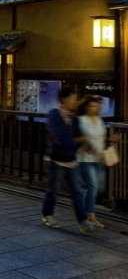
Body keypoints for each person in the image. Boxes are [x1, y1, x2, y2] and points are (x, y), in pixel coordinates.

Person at [42, 87, 96, 235]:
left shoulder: (74, 118)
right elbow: (58, 138)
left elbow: (80, 137)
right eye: (72, 98)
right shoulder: (54, 116)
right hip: (56, 159)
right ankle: (47, 215)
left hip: (72, 160)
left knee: (77, 191)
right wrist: (76, 140)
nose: (74, 101)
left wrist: (88, 145)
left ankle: (83, 221)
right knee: (54, 190)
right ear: (63, 99)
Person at [78, 96, 109, 228]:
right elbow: (82, 139)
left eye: (96, 106)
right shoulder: (81, 121)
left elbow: (102, 138)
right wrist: (92, 150)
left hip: (99, 158)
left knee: (99, 186)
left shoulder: (99, 120)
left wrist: (110, 141)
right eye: (91, 106)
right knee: (93, 186)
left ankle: (83, 207)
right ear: (85, 107)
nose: (95, 108)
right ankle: (91, 215)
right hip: (85, 158)